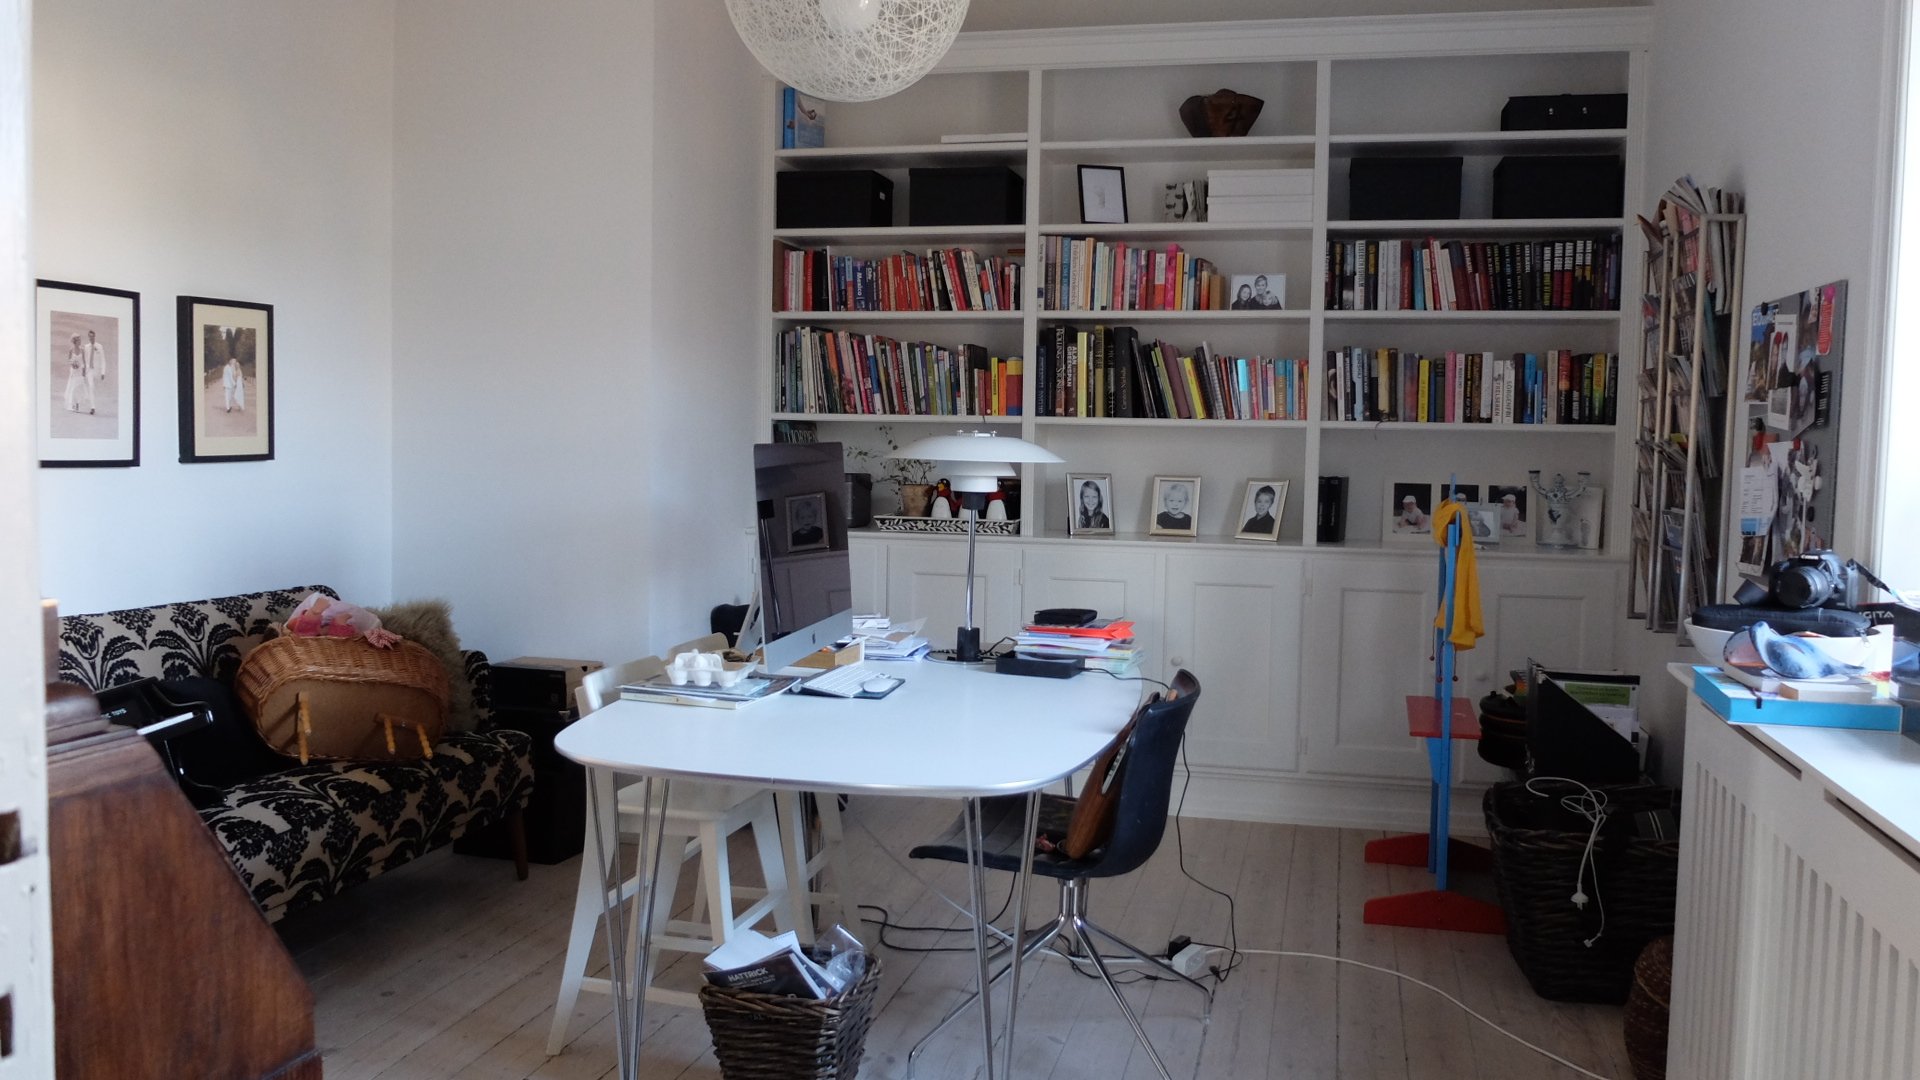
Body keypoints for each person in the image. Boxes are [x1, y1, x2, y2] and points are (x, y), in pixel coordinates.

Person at [63, 333, 94, 413]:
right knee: (73, 387)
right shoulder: (71, 350)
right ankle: (73, 403)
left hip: (80, 371)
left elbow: (84, 361)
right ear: (75, 341)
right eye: (79, 340)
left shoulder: (82, 350)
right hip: (73, 371)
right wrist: (73, 364)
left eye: (80, 340)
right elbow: (69, 360)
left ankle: (77, 403)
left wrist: (84, 371)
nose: (80, 342)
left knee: (79, 387)